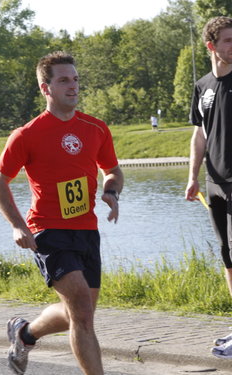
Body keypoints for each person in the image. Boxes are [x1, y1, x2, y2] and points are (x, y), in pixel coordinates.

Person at [0, 51, 124, 375]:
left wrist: (111, 191)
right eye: (64, 80)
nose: (73, 86)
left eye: (75, 79)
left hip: (87, 230)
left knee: (81, 311)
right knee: (80, 309)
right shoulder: (27, 134)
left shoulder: (96, 128)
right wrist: (18, 226)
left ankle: (25, 334)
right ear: (45, 88)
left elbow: (114, 170)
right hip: (48, 231)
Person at [185, 16, 232, 359]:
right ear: (211, 46)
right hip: (214, 185)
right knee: (227, 256)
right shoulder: (202, 86)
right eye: (228, 40)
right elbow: (199, 134)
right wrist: (192, 177)